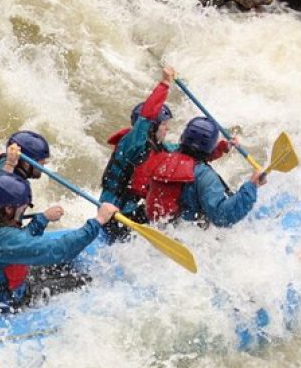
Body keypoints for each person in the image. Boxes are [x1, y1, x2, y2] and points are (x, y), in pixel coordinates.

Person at [0, 173, 117, 313]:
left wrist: (42, 219)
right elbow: (58, 250)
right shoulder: (4, 240)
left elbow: (16, 245)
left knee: (63, 267)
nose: (24, 210)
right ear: (8, 209)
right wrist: (98, 221)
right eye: (23, 208)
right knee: (83, 280)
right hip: (6, 300)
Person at [99, 67, 233, 240]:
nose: (168, 128)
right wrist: (165, 84)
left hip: (139, 209)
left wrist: (222, 148)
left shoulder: (160, 148)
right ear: (152, 127)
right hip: (116, 212)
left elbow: (190, 157)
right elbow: (147, 116)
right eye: (164, 124)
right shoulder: (132, 144)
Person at [145, 117, 267, 226]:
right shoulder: (204, 176)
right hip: (190, 233)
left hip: (159, 224)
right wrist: (252, 186)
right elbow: (222, 217)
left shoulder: (164, 155)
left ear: (183, 138)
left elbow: (190, 156)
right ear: (210, 146)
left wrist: (223, 147)